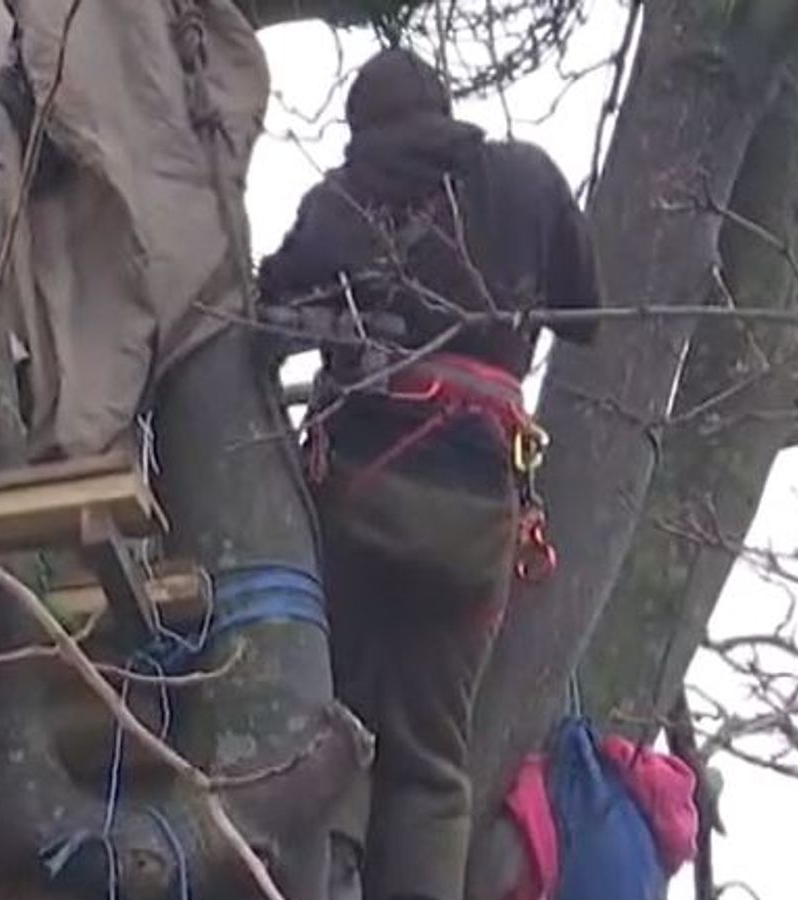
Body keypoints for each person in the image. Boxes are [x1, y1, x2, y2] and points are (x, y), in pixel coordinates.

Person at [255, 46, 604, 900]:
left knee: (339, 716)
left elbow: (263, 321)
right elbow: (586, 312)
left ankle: (322, 879)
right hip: (474, 511)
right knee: (432, 764)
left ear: (360, 128)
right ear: (446, 108)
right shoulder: (522, 178)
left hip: (363, 497)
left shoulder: (341, 200)